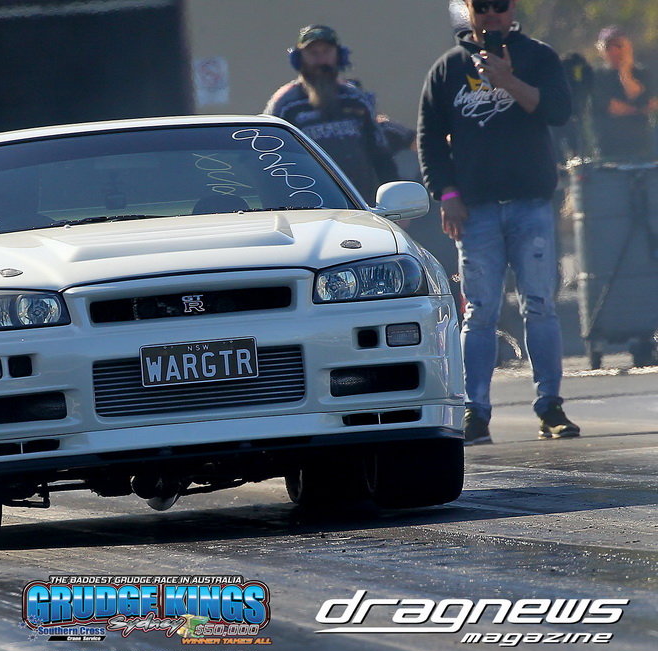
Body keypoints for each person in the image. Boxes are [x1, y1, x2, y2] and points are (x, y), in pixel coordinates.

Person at [417, 0, 579, 445]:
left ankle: (550, 407)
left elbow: (559, 111)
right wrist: (447, 194)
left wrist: (508, 81)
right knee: (480, 311)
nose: (491, 14)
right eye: (482, 6)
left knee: (540, 305)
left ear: (512, 9)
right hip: (476, 210)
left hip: (531, 203)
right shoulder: (448, 69)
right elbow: (430, 138)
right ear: (469, 10)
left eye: (500, 5)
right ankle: (476, 413)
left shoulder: (538, 56)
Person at [264, 25, 397, 205]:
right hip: (307, 207)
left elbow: (381, 155)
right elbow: (268, 159)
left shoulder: (357, 99)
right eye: (313, 53)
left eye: (326, 52)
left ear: (339, 55)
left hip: (360, 205)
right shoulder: (285, 105)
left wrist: (395, 200)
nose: (320, 60)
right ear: (299, 58)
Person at [591, 26, 658, 161]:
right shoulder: (597, 76)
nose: (614, 51)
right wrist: (640, 109)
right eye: (608, 47)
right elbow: (613, 108)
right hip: (608, 148)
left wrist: (625, 73)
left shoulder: (643, 73)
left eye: (619, 46)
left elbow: (647, 101)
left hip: (642, 147)